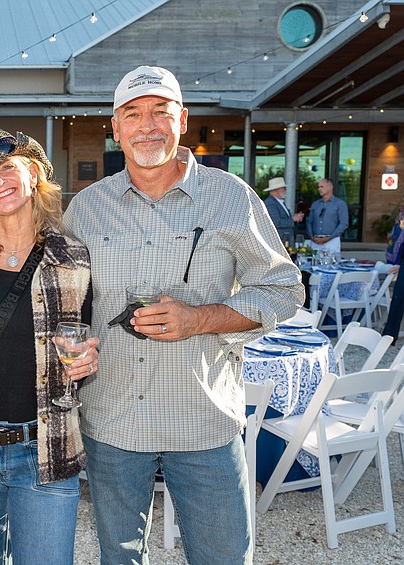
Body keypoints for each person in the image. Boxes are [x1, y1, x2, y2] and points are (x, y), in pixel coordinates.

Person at [62, 65, 303, 564]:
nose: (146, 125)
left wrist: (201, 318)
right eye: (132, 114)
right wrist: (75, 342)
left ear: (183, 120)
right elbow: (67, 302)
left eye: (159, 112)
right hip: (113, 418)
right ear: (115, 126)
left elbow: (283, 290)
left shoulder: (230, 196)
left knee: (222, 555)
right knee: (120, 555)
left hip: (202, 418)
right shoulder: (86, 208)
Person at [0, 124, 99, 565]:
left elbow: (93, 331)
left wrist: (92, 352)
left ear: (33, 175)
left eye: (7, 168)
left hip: (46, 449)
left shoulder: (75, 257)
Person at [306, 177, 349, 253]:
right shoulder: (315, 204)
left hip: (331, 241)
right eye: (318, 187)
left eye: (322, 187)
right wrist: (311, 236)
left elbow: (343, 223)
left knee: (331, 264)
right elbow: (309, 221)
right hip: (315, 241)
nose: (319, 189)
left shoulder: (340, 204)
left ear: (330, 187)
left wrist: (329, 237)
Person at [263, 176, 304, 246]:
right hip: (279, 242)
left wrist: (294, 217)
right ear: (275, 190)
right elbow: (276, 222)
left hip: (285, 241)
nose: (285, 190)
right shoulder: (270, 203)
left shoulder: (278, 202)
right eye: (283, 188)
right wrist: (293, 219)